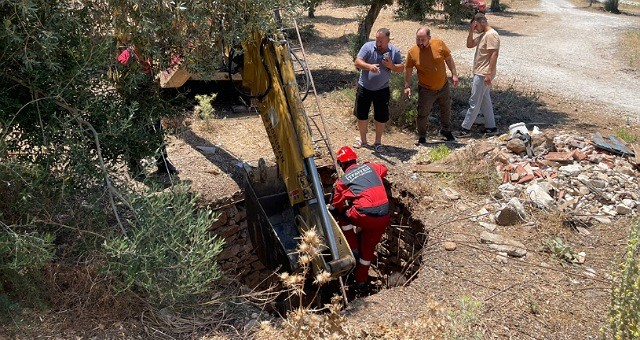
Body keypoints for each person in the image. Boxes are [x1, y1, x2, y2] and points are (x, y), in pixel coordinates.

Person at [330, 146, 390, 288]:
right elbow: (384, 169)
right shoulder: (371, 167)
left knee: (343, 215)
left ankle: (353, 248)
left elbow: (335, 206)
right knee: (368, 247)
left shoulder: (342, 181)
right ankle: (361, 280)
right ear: (355, 159)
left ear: (341, 164)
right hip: (383, 216)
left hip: (363, 215)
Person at [117, 44, 179, 179]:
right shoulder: (128, 54)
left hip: (149, 96)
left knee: (156, 128)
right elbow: (119, 70)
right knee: (133, 129)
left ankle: (162, 162)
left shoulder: (149, 51)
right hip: (133, 98)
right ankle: (134, 166)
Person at [404, 26, 459, 144]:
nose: (420, 42)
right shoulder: (412, 52)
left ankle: (446, 130)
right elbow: (408, 69)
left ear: (429, 38)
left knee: (446, 109)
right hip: (426, 89)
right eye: (417, 39)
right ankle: (422, 136)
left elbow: (448, 59)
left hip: (443, 85)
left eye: (422, 40)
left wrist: (454, 74)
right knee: (423, 113)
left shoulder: (439, 44)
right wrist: (407, 85)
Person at [353, 28, 404, 152]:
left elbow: (401, 67)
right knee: (361, 114)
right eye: (377, 40)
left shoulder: (394, 51)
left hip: (382, 89)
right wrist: (369, 67)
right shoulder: (368, 47)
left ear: (388, 40)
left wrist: (391, 66)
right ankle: (363, 140)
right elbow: (357, 61)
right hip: (364, 87)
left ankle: (378, 142)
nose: (378, 43)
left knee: (381, 116)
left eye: (381, 41)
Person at [458, 13, 501, 137]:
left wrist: (488, 73)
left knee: (474, 100)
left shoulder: (492, 35)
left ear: (482, 22)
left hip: (483, 73)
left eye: (476, 27)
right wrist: (471, 30)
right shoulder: (484, 35)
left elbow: (494, 54)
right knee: (484, 100)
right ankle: (491, 127)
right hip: (480, 72)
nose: (476, 29)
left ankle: (465, 128)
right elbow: (469, 44)